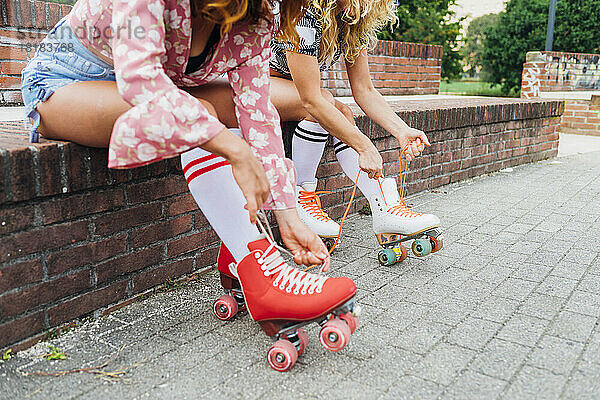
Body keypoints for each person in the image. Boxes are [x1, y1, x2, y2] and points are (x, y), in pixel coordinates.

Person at [20, 0, 358, 371]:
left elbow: (258, 115)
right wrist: (233, 149)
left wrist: (288, 215)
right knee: (205, 117)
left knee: (246, 107)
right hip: (67, 84)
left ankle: (249, 251)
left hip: (156, 90)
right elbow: (141, 78)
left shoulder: (257, 17)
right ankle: (264, 275)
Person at [268, 0, 443, 259]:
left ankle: (384, 206)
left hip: (289, 89)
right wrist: (365, 146)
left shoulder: (350, 23)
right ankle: (301, 197)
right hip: (253, 81)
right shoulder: (304, 12)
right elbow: (312, 100)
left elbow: (365, 90)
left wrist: (402, 130)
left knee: (344, 112)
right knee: (325, 103)